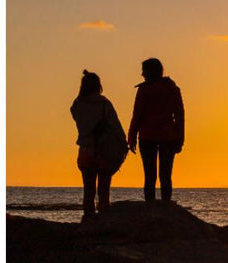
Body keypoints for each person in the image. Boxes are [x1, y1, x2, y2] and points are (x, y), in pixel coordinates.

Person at [70, 70, 128, 222]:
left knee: (88, 190)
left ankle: (88, 218)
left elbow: (75, 113)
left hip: (85, 151)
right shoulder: (105, 104)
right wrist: (123, 143)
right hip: (103, 152)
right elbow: (117, 127)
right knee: (104, 188)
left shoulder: (77, 105)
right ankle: (103, 218)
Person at [127, 58, 185, 202]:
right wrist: (180, 138)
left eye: (144, 70)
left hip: (148, 137)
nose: (142, 74)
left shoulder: (145, 89)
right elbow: (180, 116)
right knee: (165, 175)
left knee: (150, 175)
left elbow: (137, 115)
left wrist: (131, 137)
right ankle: (165, 204)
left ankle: (150, 205)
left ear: (150, 72)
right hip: (168, 137)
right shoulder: (172, 89)